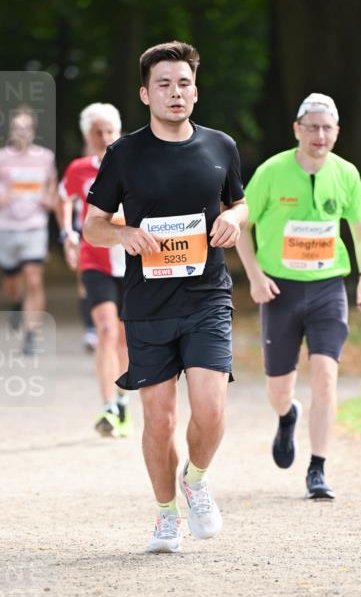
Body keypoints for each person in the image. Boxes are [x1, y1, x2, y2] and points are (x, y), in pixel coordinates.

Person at [84, 41, 247, 553]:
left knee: (211, 410)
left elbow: (239, 205)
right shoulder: (124, 154)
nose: (175, 93)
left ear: (195, 91)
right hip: (148, 305)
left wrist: (231, 219)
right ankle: (164, 517)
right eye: (163, 84)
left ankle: (195, 480)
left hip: (207, 297)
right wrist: (123, 234)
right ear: (144, 93)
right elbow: (91, 225)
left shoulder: (221, 146)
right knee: (159, 420)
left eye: (183, 83)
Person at [236, 93, 361, 500]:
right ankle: (287, 415)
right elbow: (242, 226)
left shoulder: (347, 173)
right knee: (279, 388)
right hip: (279, 288)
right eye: (312, 127)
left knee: (325, 376)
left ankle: (318, 468)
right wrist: (256, 277)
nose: (320, 135)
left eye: (327, 128)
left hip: (328, 287)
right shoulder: (271, 171)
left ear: (337, 133)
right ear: (297, 129)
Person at [58, 102, 130, 439]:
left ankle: (122, 401)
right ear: (88, 136)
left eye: (109, 131)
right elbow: (63, 197)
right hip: (94, 260)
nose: (104, 138)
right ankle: (108, 406)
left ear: (118, 133)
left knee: (125, 339)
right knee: (105, 331)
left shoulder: (136, 166)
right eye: (97, 132)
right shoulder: (78, 169)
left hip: (130, 262)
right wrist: (68, 233)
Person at [0, 107, 57, 354]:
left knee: (33, 278)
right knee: (12, 281)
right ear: (11, 131)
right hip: (6, 227)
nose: (21, 132)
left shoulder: (45, 157)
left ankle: (30, 333)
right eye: (17, 128)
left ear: (33, 131)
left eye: (26, 128)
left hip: (35, 225)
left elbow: (52, 182)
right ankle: (17, 302)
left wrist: (49, 197)